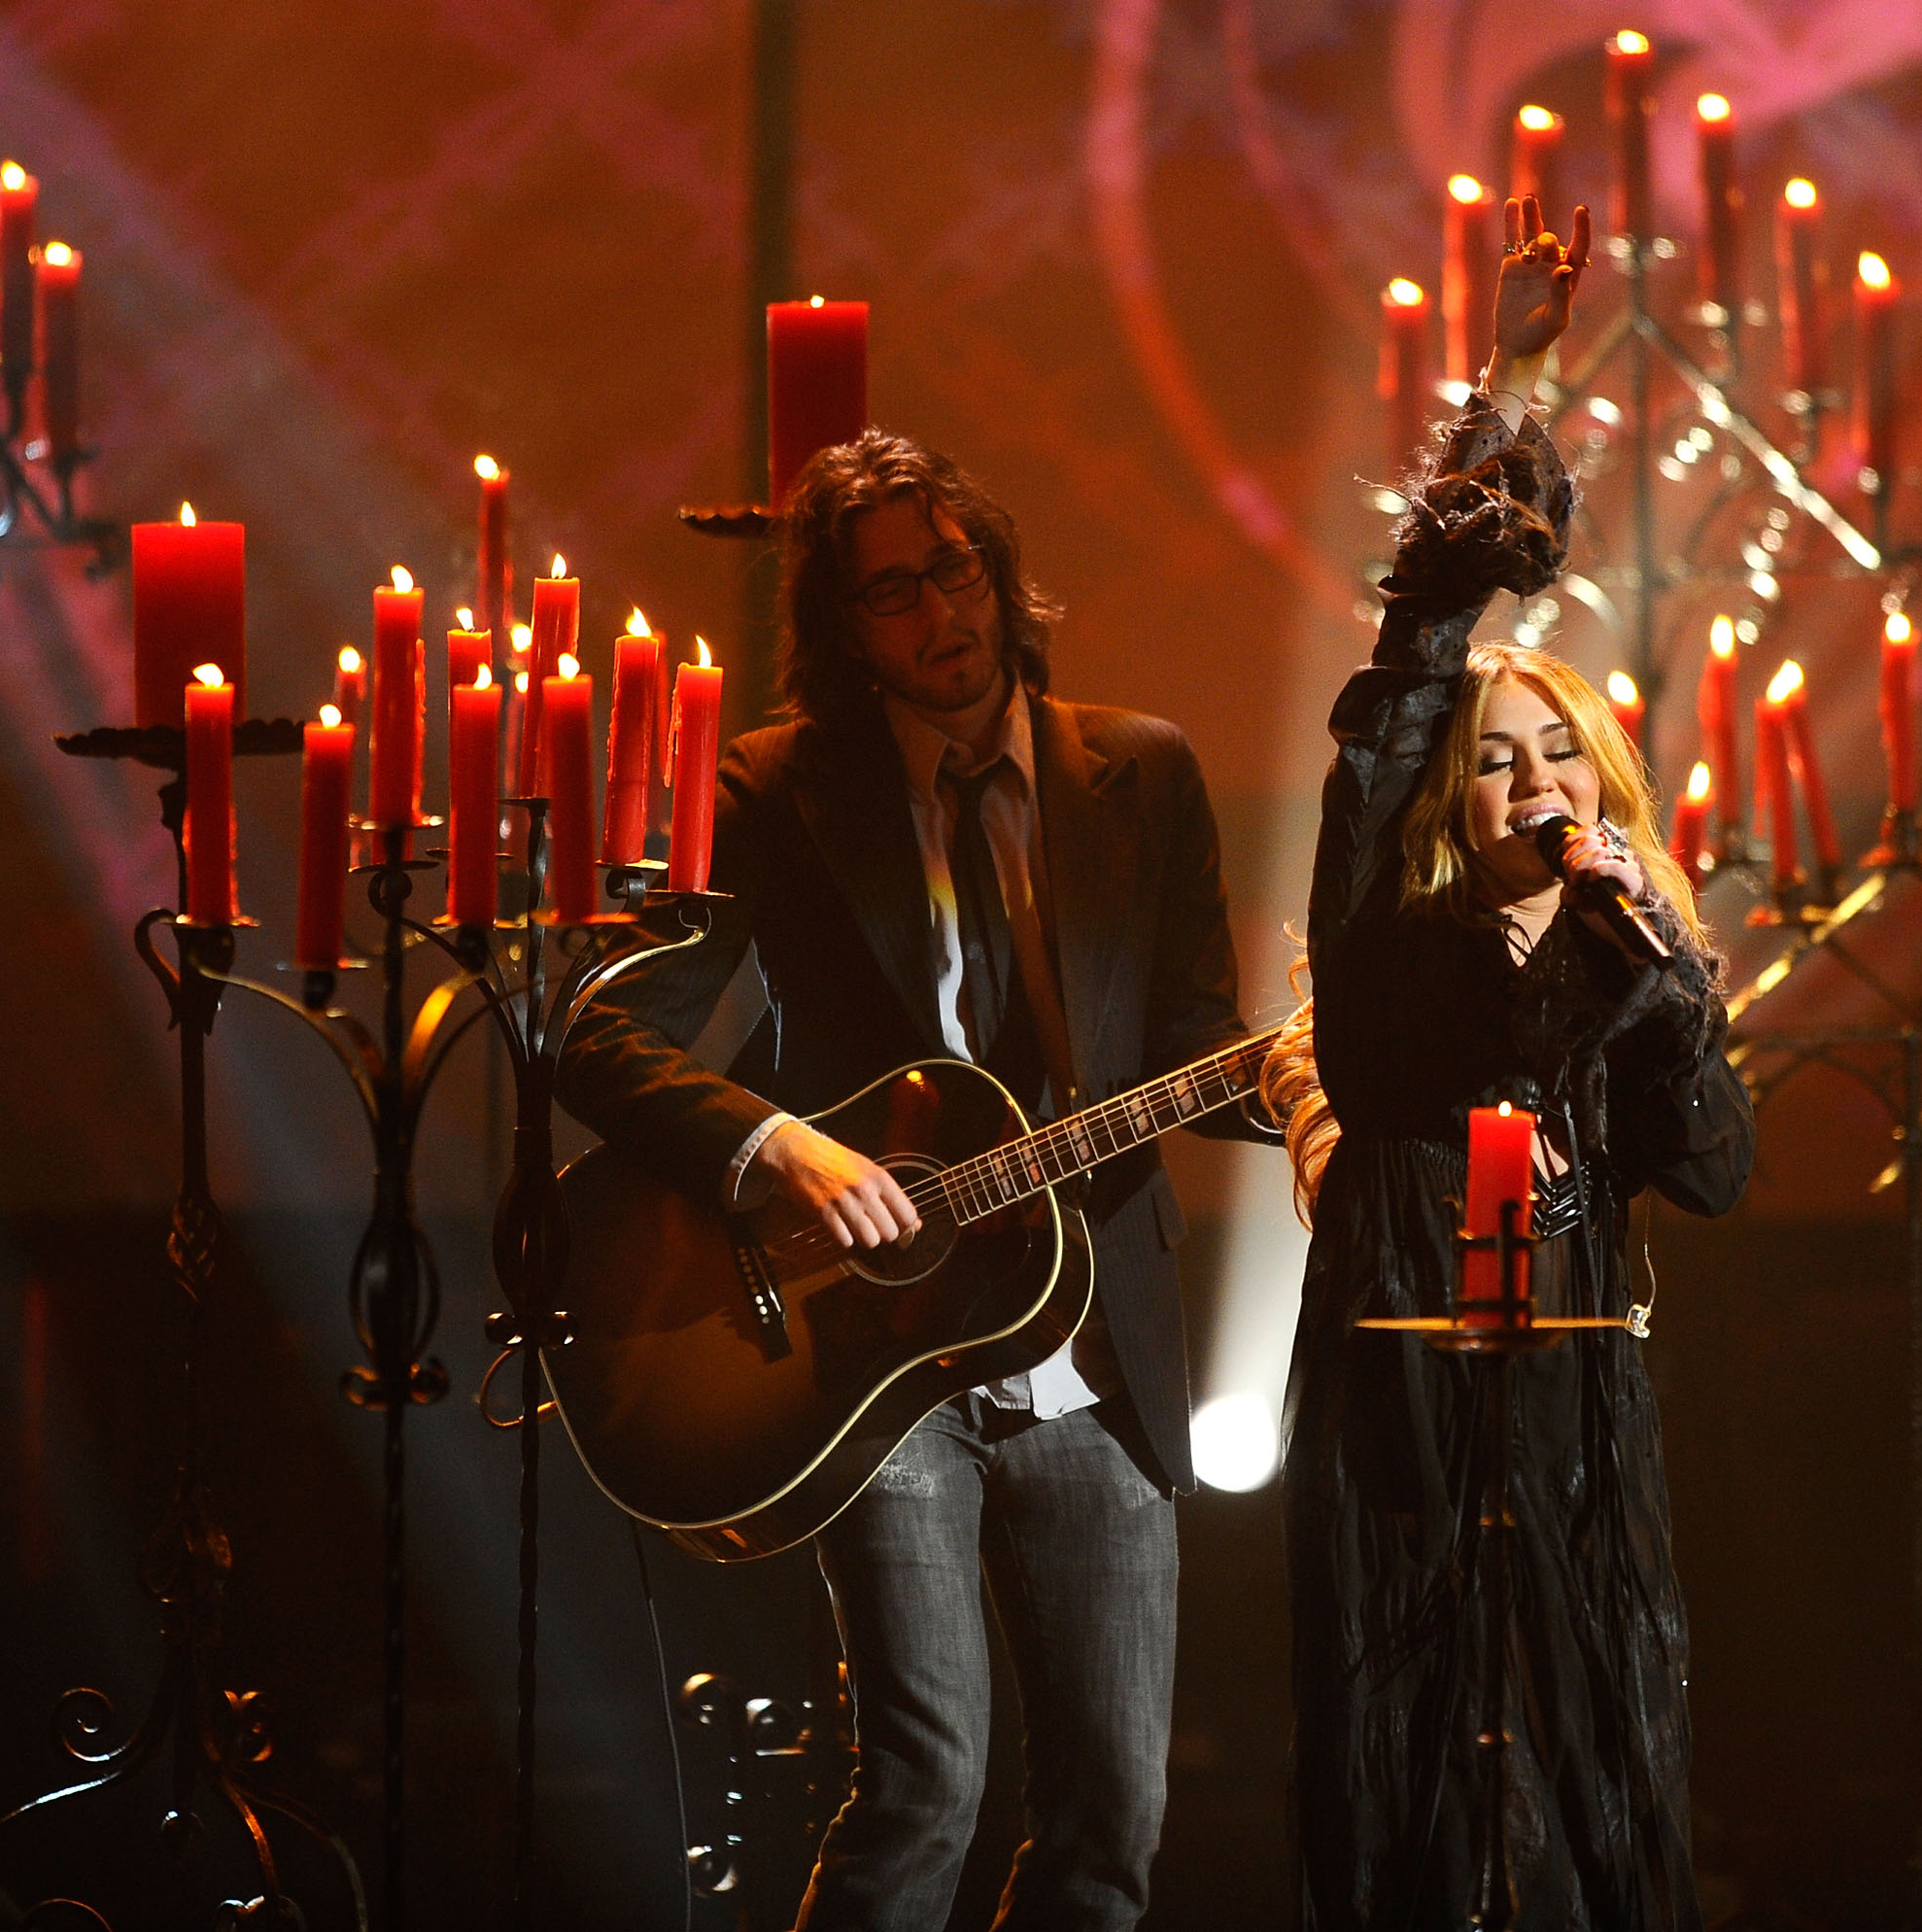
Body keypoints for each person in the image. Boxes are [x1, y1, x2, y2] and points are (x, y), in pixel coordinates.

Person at [556, 431, 1269, 1931]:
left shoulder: (1141, 771)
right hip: (873, 1358)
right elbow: (601, 1033)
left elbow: (1200, 1043)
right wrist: (779, 1144)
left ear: (1000, 572)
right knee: (926, 1786)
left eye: (955, 569)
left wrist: (1315, 1078)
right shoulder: (773, 790)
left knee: (1112, 1825)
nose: (940, 612)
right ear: (843, 625)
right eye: (892, 592)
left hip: (1094, 1357)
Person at [1255, 196, 1754, 1932]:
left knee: (1593, 1783)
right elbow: (1412, 667)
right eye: (1495, 761)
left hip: (1578, 1425)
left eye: (1563, 755)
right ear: (1444, 807)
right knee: (1417, 1802)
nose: (1534, 782)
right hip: (1403, 1423)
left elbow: (1714, 1170)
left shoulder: (1633, 964)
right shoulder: (1391, 963)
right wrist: (1513, 379)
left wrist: (1660, 980)